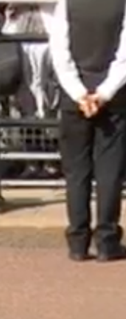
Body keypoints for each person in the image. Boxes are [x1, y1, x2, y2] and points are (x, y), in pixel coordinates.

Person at [49, 0, 126, 261]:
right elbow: (124, 57)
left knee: (77, 171)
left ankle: (78, 241)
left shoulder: (67, 4)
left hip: (75, 100)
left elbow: (60, 52)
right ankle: (107, 240)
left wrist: (80, 94)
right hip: (115, 100)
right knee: (110, 171)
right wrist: (103, 93)